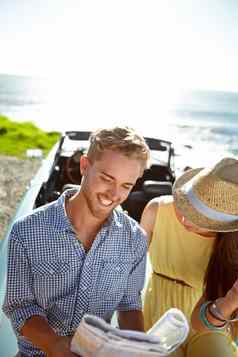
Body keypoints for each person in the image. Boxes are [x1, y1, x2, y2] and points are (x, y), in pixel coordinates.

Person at [3, 126, 150, 357]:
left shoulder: (135, 239)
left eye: (126, 186)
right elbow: (19, 305)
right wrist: (53, 345)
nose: (113, 194)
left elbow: (129, 304)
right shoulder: (27, 231)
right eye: (106, 178)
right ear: (84, 166)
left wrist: (141, 348)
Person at [141, 157, 238, 356]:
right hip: (159, 310)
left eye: (198, 217)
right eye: (185, 204)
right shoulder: (156, 209)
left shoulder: (231, 244)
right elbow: (128, 270)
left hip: (206, 315)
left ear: (223, 226)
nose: (184, 218)